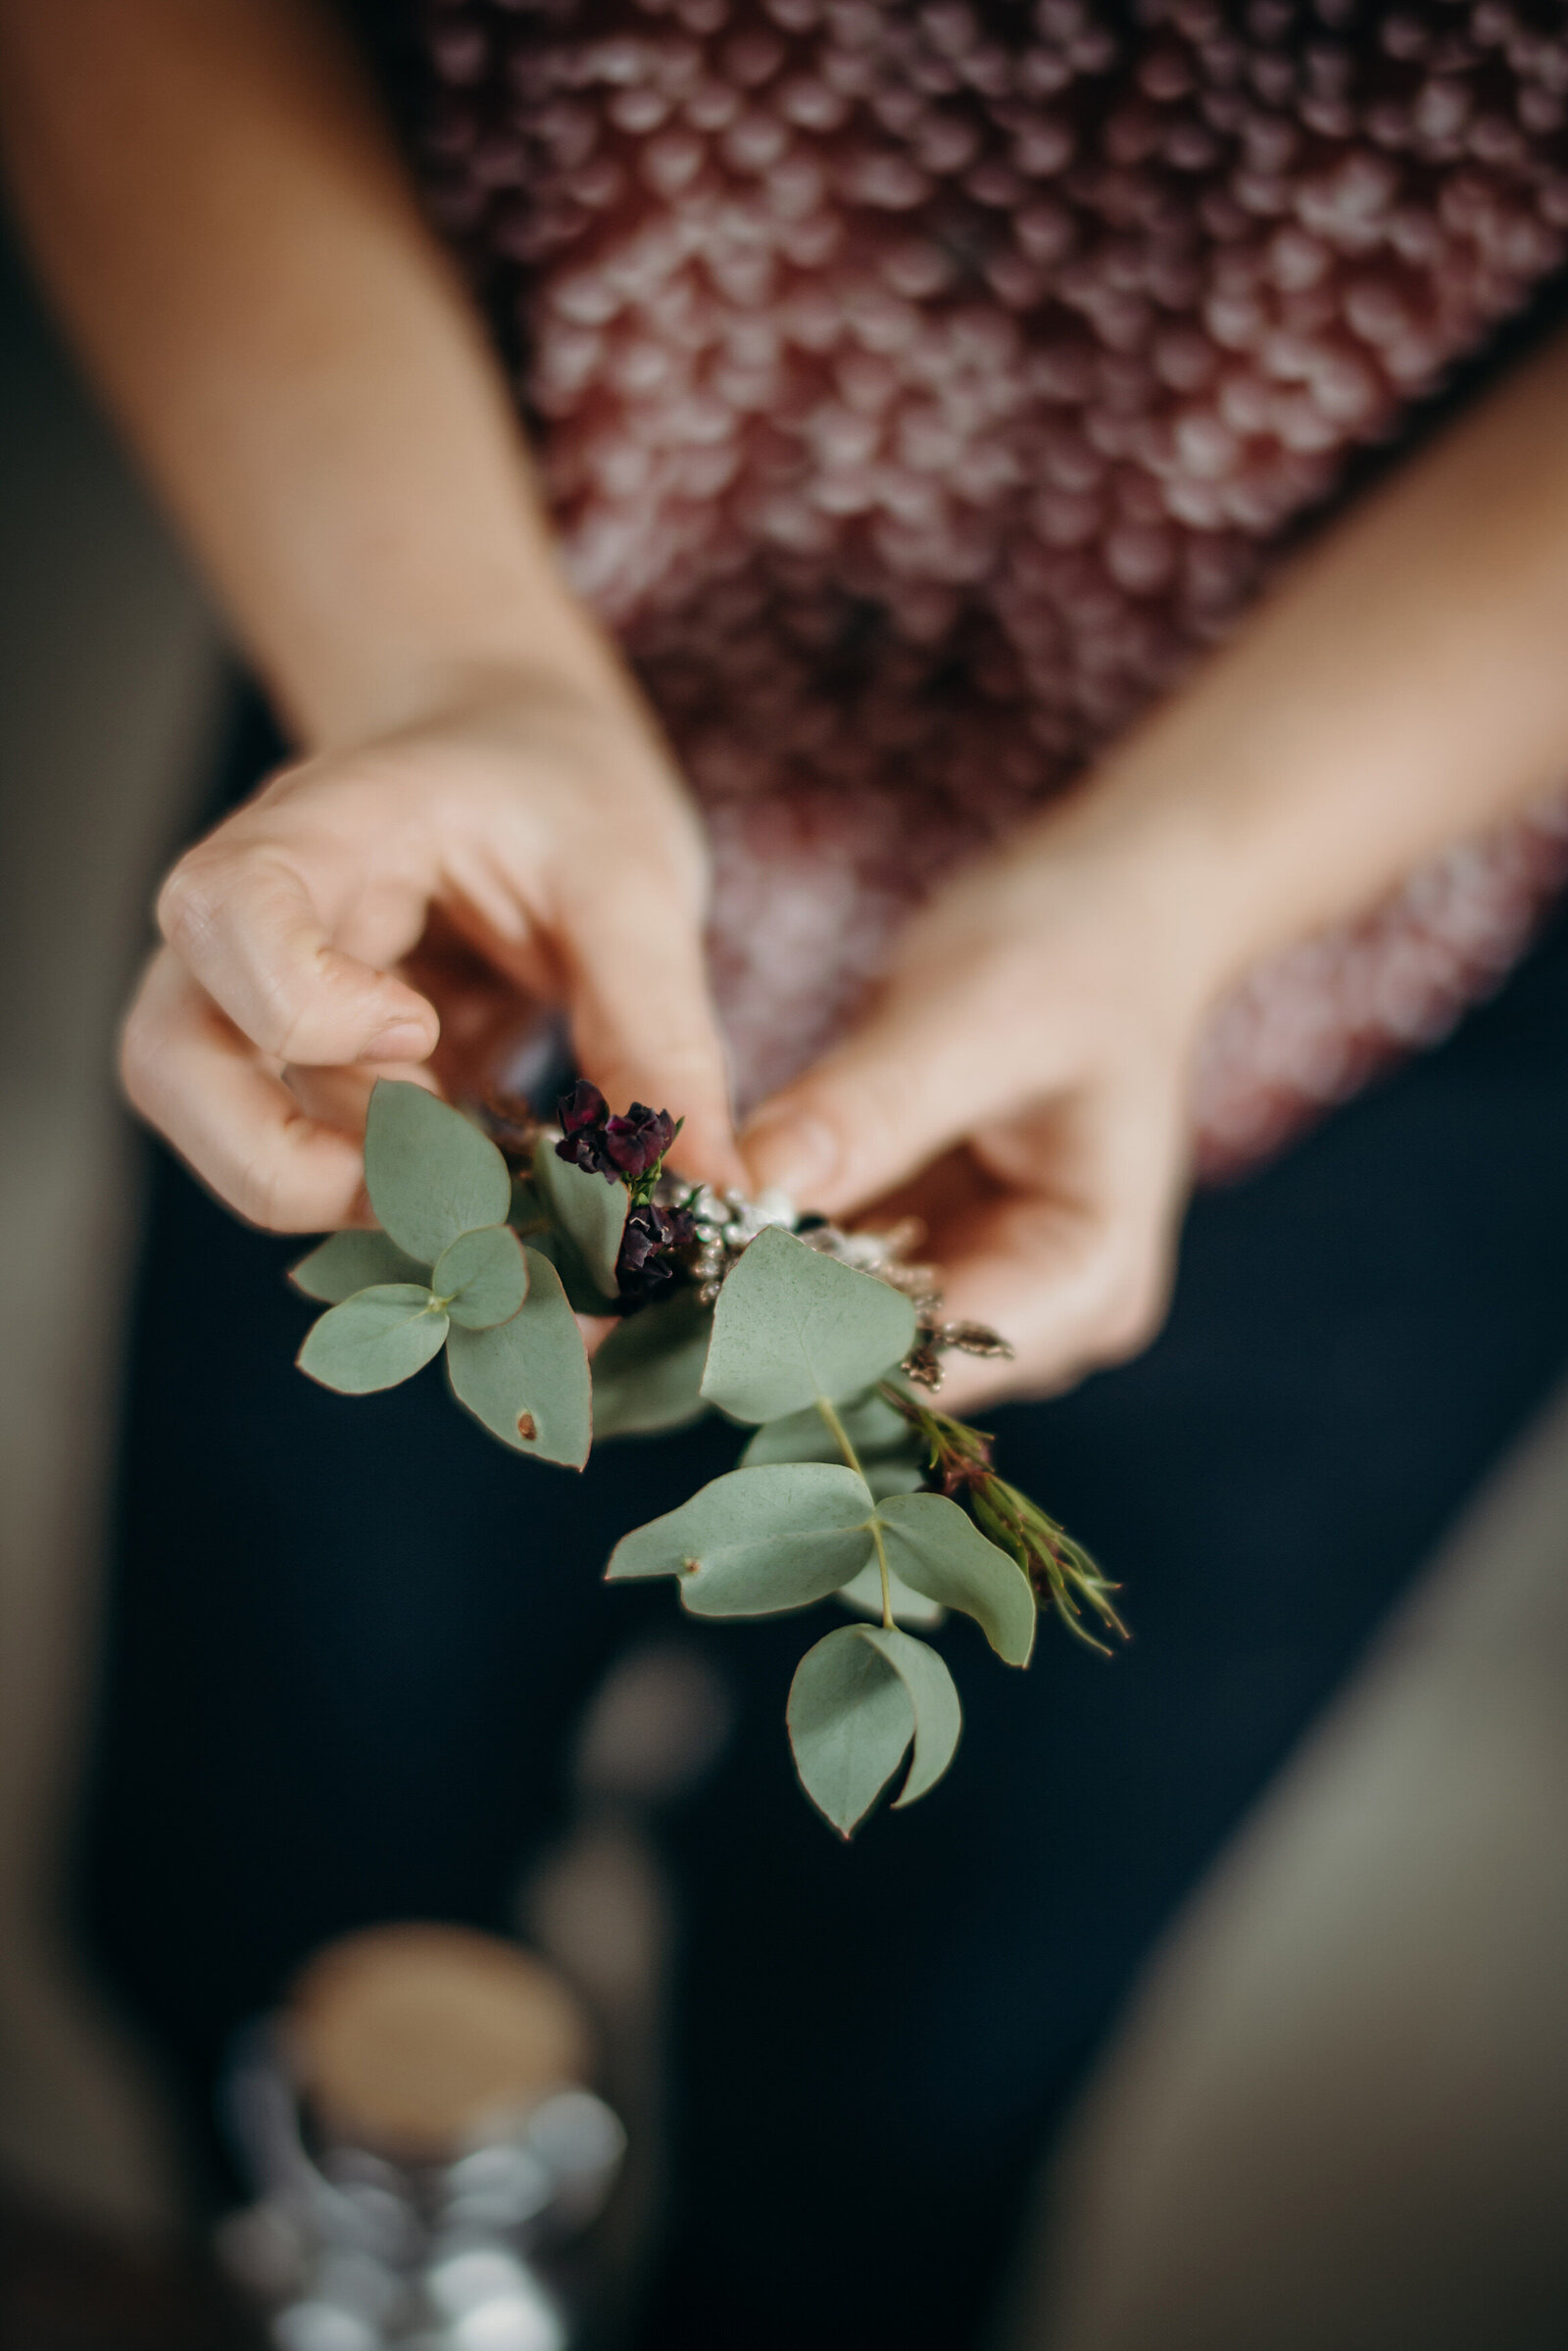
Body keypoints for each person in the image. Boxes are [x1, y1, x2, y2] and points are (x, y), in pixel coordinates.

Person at [3, 1, 1568, 2342]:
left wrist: (1171, 896)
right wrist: (437, 662)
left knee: (913, 2057)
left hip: (1359, 974)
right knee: (277, 1881)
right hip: (445, 843)